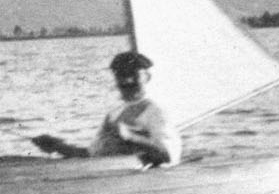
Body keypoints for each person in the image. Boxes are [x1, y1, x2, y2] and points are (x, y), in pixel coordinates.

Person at [33, 50, 181, 167]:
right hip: (113, 176)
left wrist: (130, 137)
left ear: (147, 77)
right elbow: (93, 155)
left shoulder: (156, 111)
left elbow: (168, 155)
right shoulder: (114, 114)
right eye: (121, 75)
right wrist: (58, 147)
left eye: (133, 75)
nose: (127, 81)